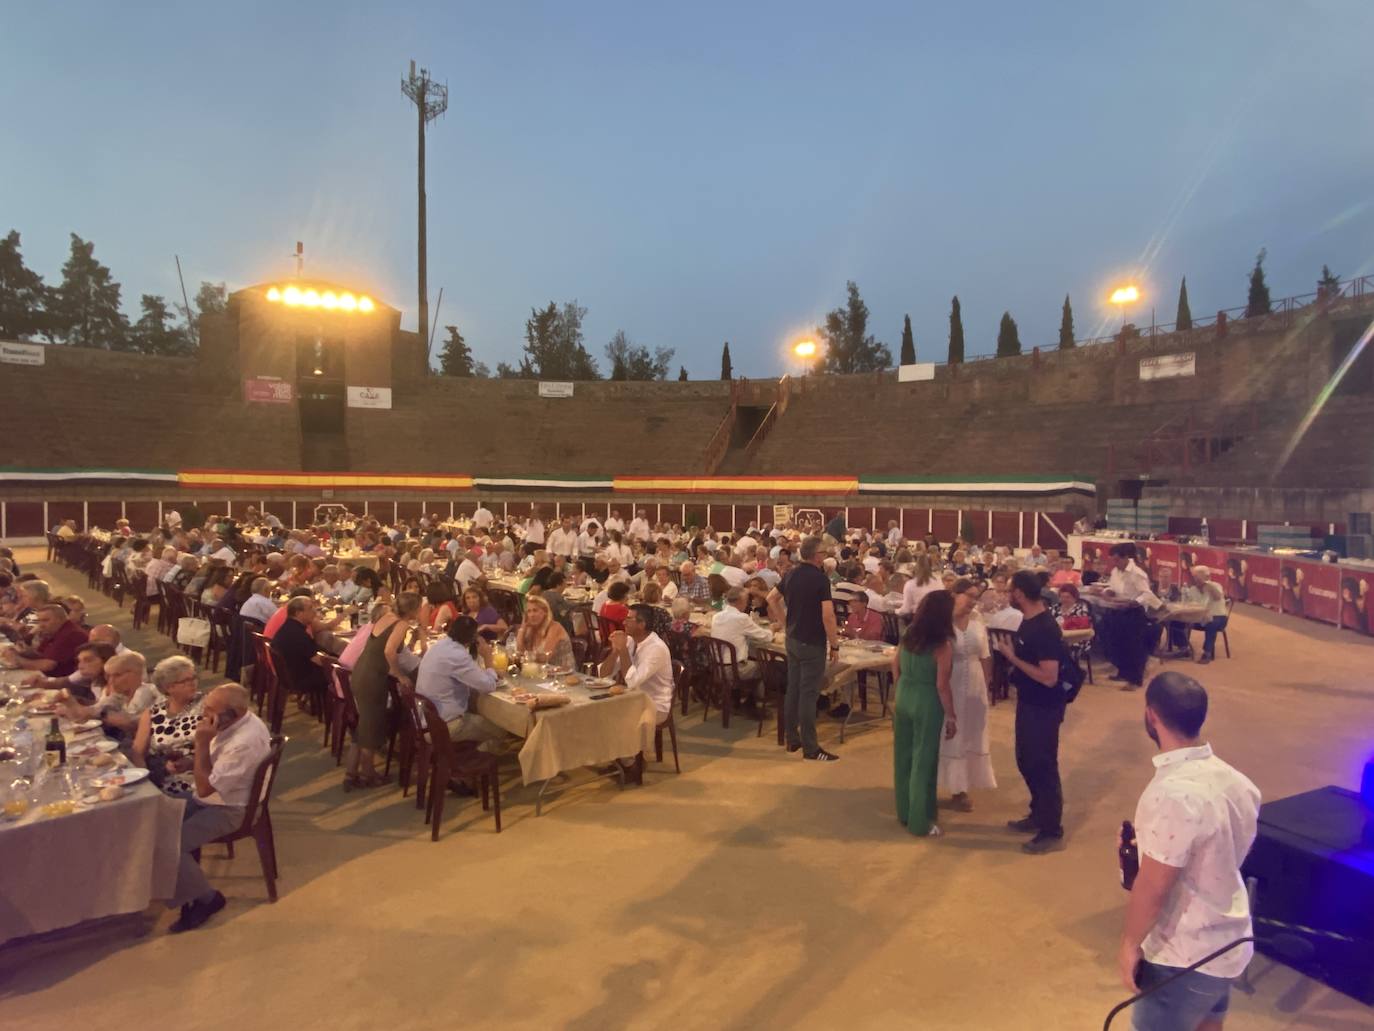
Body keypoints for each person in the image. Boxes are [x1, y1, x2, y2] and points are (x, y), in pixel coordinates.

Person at [1118, 673, 1260, 1030]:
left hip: (1183, 957)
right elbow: (1224, 852)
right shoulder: (1239, 783)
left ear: (1151, 715)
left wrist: (1130, 943)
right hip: (1228, 942)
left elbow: (1154, 887)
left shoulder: (1170, 794)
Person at [167, 684, 272, 933]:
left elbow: (205, 789)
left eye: (210, 710)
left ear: (233, 713)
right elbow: (217, 767)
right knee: (158, 815)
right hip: (215, 796)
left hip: (232, 809)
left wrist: (201, 744)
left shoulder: (244, 742)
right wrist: (190, 763)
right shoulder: (235, 723)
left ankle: (208, 899)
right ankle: (184, 880)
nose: (204, 716)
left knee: (171, 844)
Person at [994, 570, 1067, 854]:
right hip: (1029, 702)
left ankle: (1051, 829)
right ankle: (1038, 813)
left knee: (1042, 764)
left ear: (1020, 594)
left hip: (1044, 705)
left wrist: (1012, 658)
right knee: (1026, 759)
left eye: (1010, 590)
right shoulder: (1028, 620)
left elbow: (1049, 677)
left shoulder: (1045, 628)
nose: (1007, 595)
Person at [767, 536, 841, 762]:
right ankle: (811, 748)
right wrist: (835, 644)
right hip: (812, 642)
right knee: (809, 695)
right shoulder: (820, 579)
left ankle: (792, 739)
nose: (825, 556)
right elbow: (828, 616)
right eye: (823, 553)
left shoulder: (791, 573)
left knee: (794, 690)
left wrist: (786, 623)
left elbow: (771, 598)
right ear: (817, 556)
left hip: (793, 639)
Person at [891, 591, 957, 836]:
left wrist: (901, 689)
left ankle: (905, 812)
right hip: (927, 701)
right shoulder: (942, 645)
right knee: (923, 761)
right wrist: (951, 716)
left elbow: (894, 664)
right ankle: (920, 820)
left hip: (904, 695)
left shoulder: (909, 633)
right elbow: (942, 685)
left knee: (903, 756)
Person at [345, 591, 426, 789]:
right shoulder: (401, 624)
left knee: (365, 724)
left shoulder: (387, 615)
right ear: (413, 610)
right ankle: (368, 774)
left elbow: (389, 648)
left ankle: (351, 773)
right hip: (372, 678)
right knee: (371, 728)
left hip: (361, 671)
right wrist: (399, 675)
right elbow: (389, 650)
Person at [938, 579, 996, 812]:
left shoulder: (977, 620)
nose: (973, 601)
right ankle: (949, 787)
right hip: (948, 680)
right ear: (954, 594)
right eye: (969, 595)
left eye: (976, 596)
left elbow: (985, 655)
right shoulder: (941, 621)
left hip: (975, 682)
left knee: (971, 733)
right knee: (949, 733)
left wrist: (986, 684)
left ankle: (961, 788)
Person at [415, 616, 508, 747]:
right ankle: (479, 757)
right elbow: (489, 686)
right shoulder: (458, 656)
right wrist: (488, 658)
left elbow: (468, 674)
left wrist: (487, 672)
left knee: (477, 707)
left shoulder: (439, 646)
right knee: (501, 729)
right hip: (444, 726)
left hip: (425, 720)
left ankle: (477, 751)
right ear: (473, 638)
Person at [132, 656, 203, 797]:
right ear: (168, 687)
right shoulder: (153, 713)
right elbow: (137, 752)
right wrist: (145, 783)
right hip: (161, 779)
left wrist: (191, 761)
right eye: (185, 681)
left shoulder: (206, 705)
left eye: (194, 678)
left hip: (197, 780)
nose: (193, 683)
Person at [1103, 543, 1153, 691]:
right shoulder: (1115, 571)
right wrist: (1108, 591)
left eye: (1117, 560)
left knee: (1134, 647)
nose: (1114, 563)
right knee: (1117, 644)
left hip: (1133, 613)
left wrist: (1134, 602)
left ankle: (1135, 680)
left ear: (1125, 558)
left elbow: (1147, 594)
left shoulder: (1137, 573)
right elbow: (1112, 587)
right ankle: (1122, 672)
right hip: (1117, 610)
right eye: (1112, 560)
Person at [2, 604, 87, 677]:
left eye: (45, 620)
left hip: (62, 682)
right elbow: (41, 655)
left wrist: (17, 659)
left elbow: (47, 666)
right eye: (39, 621)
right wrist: (23, 652)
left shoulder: (71, 634)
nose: (41, 625)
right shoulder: (53, 630)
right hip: (48, 677)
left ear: (61, 619)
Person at [1167, 566, 1229, 664]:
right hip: (1198, 617)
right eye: (1194, 577)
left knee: (1211, 622)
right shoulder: (1192, 589)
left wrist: (1207, 585)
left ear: (1207, 577)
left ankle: (1207, 653)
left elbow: (1217, 597)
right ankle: (1183, 647)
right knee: (1175, 620)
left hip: (1218, 617)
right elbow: (1187, 604)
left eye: (1198, 577)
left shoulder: (1216, 585)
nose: (1195, 579)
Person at [711, 585, 773, 682]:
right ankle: (756, 691)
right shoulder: (741, 618)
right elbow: (766, 637)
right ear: (741, 601)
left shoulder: (716, 616)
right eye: (746, 601)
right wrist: (773, 629)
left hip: (717, 666)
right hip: (734, 669)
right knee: (767, 666)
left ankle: (747, 690)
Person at [514, 593, 575, 670]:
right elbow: (519, 652)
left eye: (535, 610)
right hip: (542, 671)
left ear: (545, 612)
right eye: (529, 611)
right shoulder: (531, 629)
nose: (532, 615)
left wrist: (528, 656)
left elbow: (545, 657)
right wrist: (523, 628)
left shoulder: (555, 627)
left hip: (563, 672)